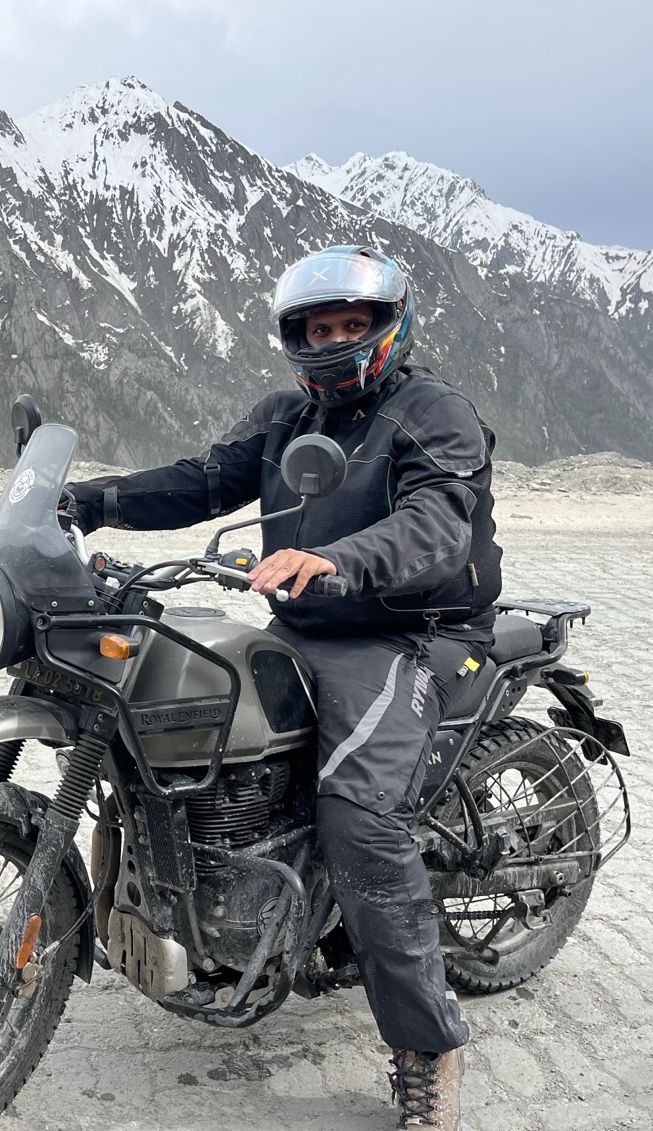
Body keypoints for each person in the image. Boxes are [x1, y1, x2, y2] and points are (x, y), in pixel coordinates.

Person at [63, 244, 502, 1131]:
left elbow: (435, 526)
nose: (333, 340)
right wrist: (91, 502)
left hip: (410, 634)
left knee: (358, 815)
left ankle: (428, 1046)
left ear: (388, 328)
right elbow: (201, 480)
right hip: (305, 623)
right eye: (316, 328)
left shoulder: (433, 414)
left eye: (351, 325)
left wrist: (335, 558)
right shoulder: (283, 418)